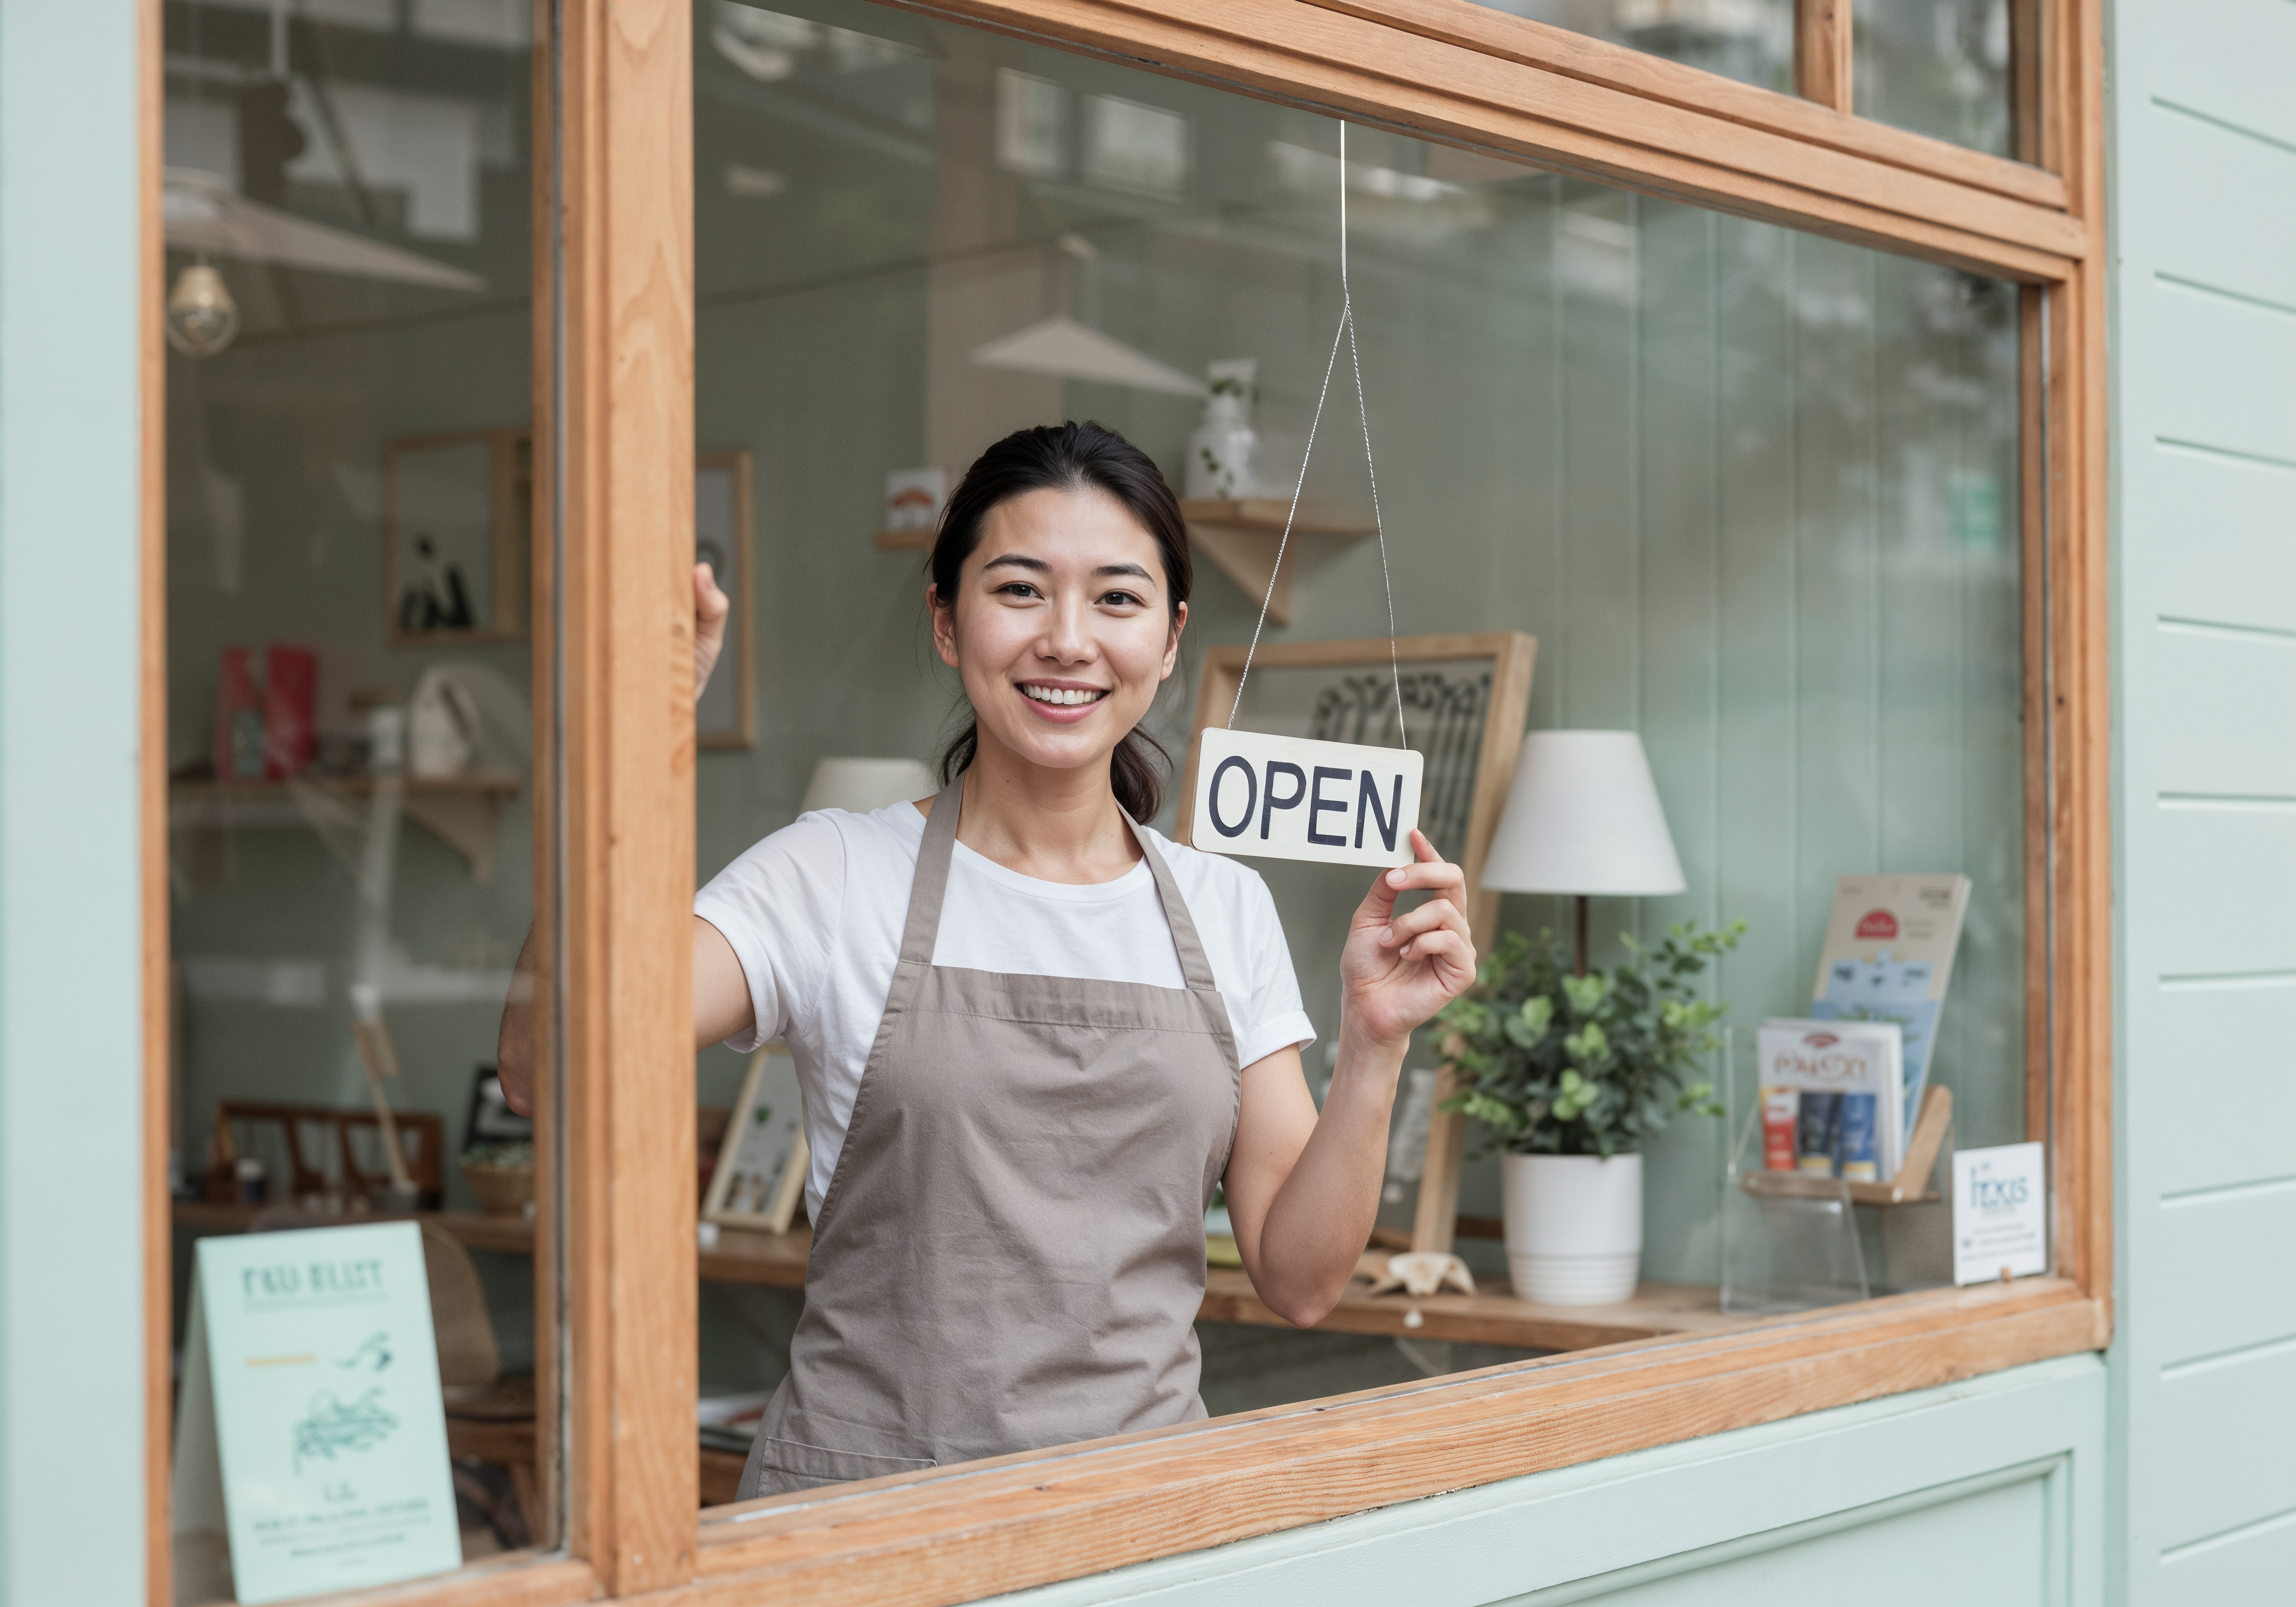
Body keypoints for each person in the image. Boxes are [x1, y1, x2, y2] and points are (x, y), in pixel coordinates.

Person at [496, 421, 1474, 1497]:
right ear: (946, 622)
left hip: (1135, 1526)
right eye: (1019, 590)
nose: (1066, 639)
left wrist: (1376, 1044)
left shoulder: (1221, 903)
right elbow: (553, 1065)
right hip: (865, 1521)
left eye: (1116, 598)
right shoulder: (832, 873)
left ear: (1171, 637)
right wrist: (621, 750)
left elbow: (1299, 1279)